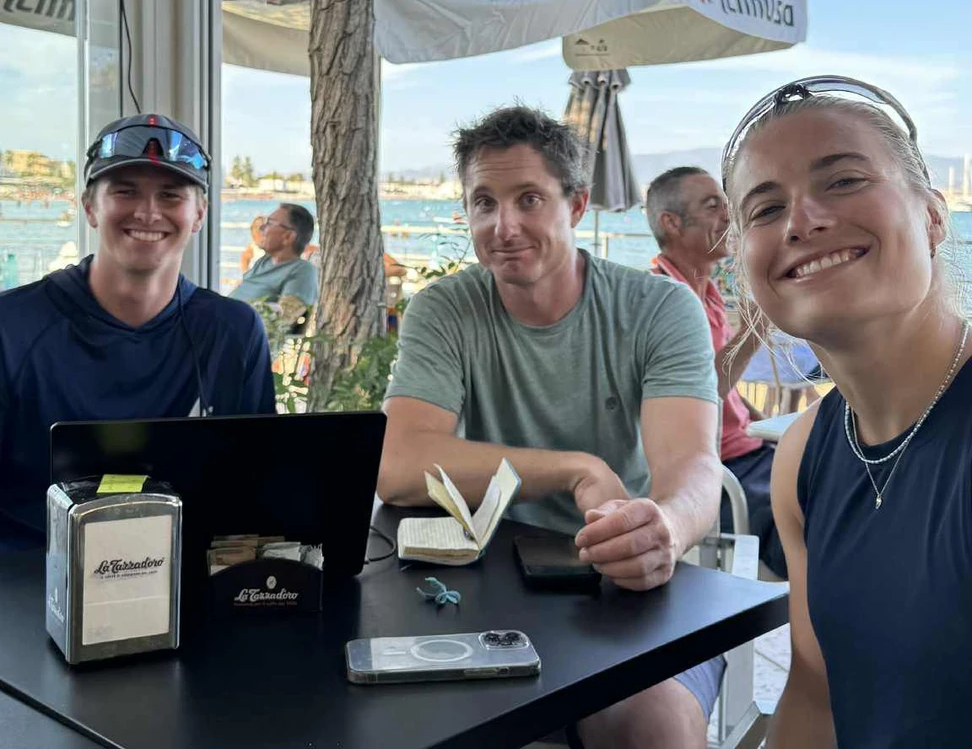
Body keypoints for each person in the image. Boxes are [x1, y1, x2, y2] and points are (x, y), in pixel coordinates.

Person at [379, 106, 724, 749]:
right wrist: (578, 469)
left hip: (623, 591)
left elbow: (695, 469)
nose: (502, 227)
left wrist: (666, 531)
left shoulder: (658, 308)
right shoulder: (445, 309)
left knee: (655, 728)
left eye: (528, 199)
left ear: (578, 205)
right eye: (483, 202)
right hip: (479, 588)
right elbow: (398, 467)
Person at [722, 76, 972, 748]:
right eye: (765, 209)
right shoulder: (803, 456)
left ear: (931, 215)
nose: (802, 221)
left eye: (843, 181)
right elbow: (815, 697)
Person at [0, 114, 276, 551]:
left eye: (171, 195)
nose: (148, 212)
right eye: (125, 191)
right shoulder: (11, 327)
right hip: (29, 579)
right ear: (90, 207)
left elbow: (256, 483)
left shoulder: (233, 331)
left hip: (184, 577)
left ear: (199, 213)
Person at [645, 167, 787, 578]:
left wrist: (756, 420)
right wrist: (756, 328)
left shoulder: (704, 291)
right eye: (712, 206)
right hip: (717, 473)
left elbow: (720, 393)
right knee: (819, 522)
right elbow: (701, 391)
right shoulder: (659, 301)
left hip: (750, 453)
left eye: (727, 204)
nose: (729, 215)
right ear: (671, 223)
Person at [229, 203, 318, 329]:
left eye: (269, 223)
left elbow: (278, 324)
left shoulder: (303, 271)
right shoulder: (264, 261)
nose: (261, 228)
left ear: (288, 236)